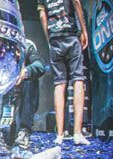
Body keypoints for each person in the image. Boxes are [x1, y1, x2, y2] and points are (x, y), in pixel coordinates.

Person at [38, 0, 90, 146]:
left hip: (55, 37)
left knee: (59, 84)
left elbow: (42, 15)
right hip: (71, 35)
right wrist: (84, 31)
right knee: (78, 80)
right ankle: (77, 133)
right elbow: (77, 2)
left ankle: (59, 135)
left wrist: (49, 38)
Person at [6, 37, 48, 149]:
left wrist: (25, 72)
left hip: (24, 93)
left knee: (30, 81)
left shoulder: (27, 45)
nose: (16, 54)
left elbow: (40, 65)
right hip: (5, 91)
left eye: (18, 51)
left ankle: (24, 131)